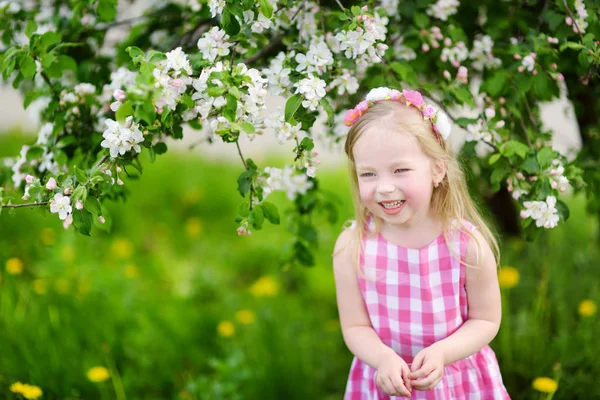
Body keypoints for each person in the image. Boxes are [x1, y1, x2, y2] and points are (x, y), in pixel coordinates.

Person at [333, 87, 511, 399]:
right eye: (369, 174)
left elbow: (485, 319)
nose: (384, 188)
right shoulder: (353, 246)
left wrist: (443, 352)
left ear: (437, 169)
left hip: (456, 380)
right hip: (384, 379)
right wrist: (383, 358)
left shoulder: (466, 244)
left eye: (400, 170)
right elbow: (355, 327)